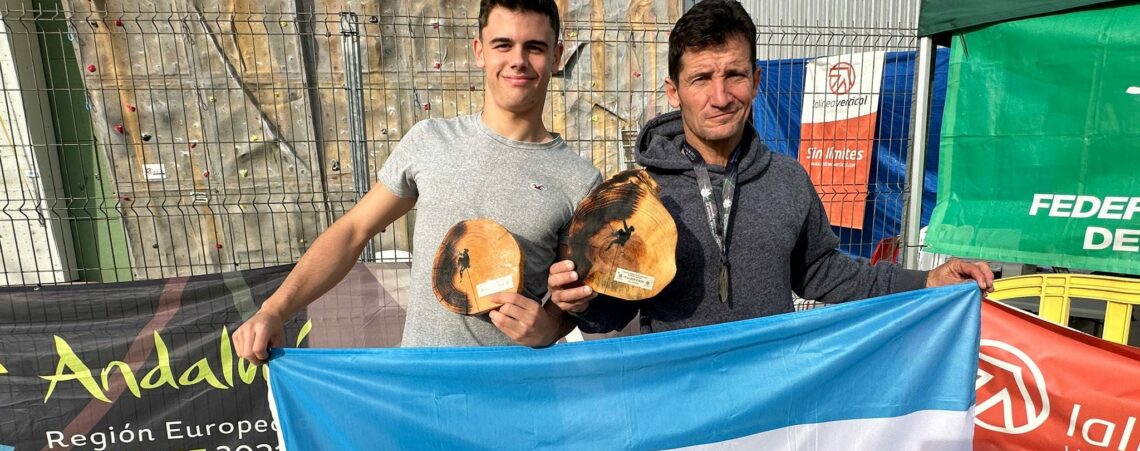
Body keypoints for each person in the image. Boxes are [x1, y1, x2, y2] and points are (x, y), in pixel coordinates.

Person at [548, 0, 992, 335]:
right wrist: (582, 302)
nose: (720, 97)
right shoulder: (637, 196)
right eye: (701, 79)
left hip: (770, 411)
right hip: (675, 407)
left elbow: (825, 273)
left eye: (735, 75)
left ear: (757, 80)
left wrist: (928, 279)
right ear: (673, 90)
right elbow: (614, 307)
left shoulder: (788, 179)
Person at [234, 0, 601, 363]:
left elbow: (573, 297)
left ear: (556, 56)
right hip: (421, 395)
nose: (518, 60)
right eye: (502, 45)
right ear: (479, 51)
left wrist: (548, 329)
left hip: (514, 398)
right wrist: (274, 309)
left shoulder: (580, 180)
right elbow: (353, 232)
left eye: (534, 47)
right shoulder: (430, 141)